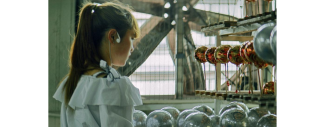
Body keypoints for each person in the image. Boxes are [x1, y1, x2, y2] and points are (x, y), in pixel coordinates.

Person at [53, 1, 142, 127]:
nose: (132, 47)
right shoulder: (111, 86)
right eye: (132, 38)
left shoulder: (73, 82)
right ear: (113, 36)